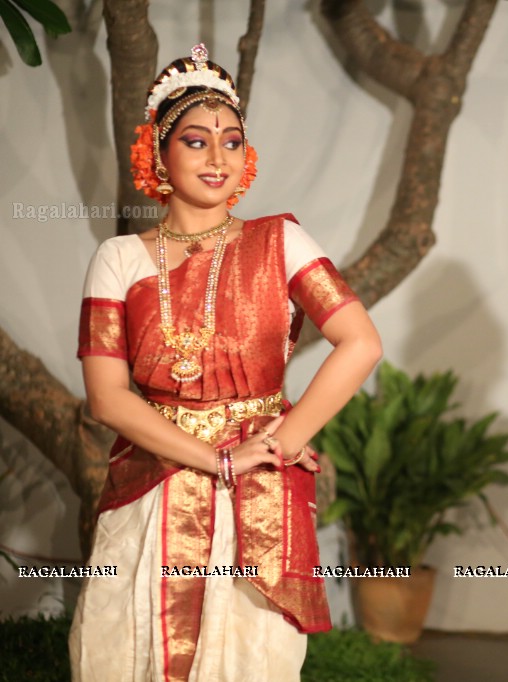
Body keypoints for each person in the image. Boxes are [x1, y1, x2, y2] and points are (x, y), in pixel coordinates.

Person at [69, 44, 382, 681]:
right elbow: (107, 398)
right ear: (157, 152)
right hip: (152, 484)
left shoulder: (280, 241)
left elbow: (362, 342)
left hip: (259, 489)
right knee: (126, 645)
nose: (219, 158)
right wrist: (215, 458)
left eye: (233, 141)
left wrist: (286, 439)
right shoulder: (120, 258)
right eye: (196, 141)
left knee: (250, 651)